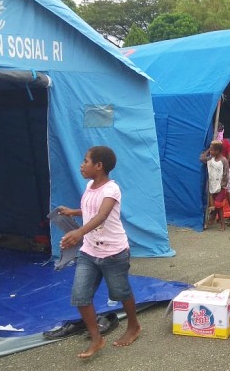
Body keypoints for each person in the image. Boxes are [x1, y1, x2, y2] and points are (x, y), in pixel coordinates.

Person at [58, 146, 140, 358]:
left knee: (121, 292)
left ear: (99, 165)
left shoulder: (112, 189)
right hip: (89, 251)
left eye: (86, 161)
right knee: (80, 296)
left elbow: (102, 215)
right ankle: (97, 338)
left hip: (114, 252)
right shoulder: (90, 186)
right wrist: (73, 212)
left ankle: (134, 326)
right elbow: (90, 211)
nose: (82, 165)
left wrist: (78, 232)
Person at [200, 140, 229, 231]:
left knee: (218, 205)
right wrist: (208, 150)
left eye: (212, 150)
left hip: (220, 187)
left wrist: (222, 186)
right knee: (217, 205)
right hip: (212, 186)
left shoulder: (223, 160)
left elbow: (225, 174)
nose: (211, 152)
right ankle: (216, 219)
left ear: (218, 151)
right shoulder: (210, 159)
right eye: (210, 150)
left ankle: (222, 225)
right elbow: (201, 158)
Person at [217, 123, 230, 226]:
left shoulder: (213, 143)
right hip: (225, 169)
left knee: (216, 193)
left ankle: (218, 216)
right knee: (229, 191)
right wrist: (225, 165)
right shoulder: (226, 142)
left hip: (215, 170)